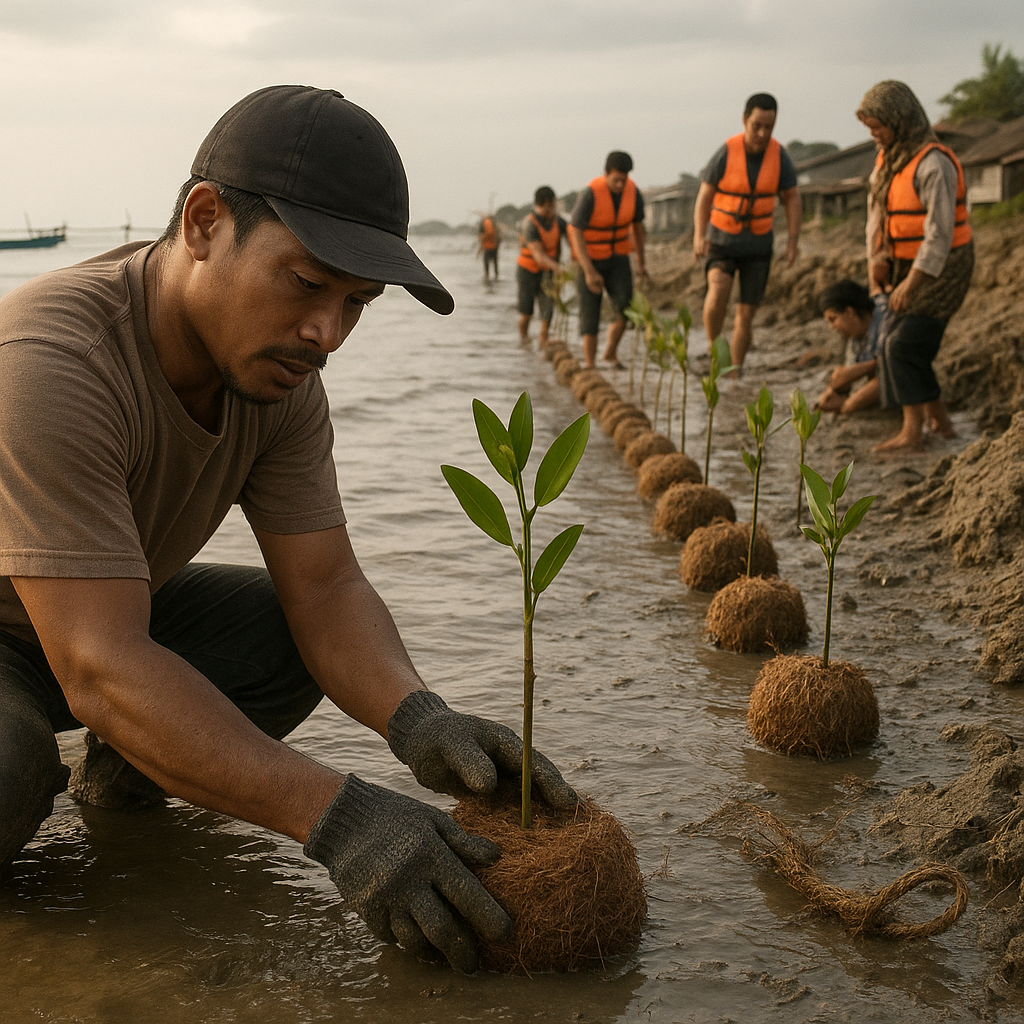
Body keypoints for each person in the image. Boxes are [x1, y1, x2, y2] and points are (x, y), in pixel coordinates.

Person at [0, 85, 578, 974]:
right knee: (9, 766)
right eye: (308, 283)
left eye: (357, 302)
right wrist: (339, 820)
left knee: (282, 641)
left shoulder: (279, 377)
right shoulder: (51, 362)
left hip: (88, 622)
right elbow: (99, 664)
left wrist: (418, 718)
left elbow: (326, 587)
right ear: (204, 222)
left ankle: (121, 792)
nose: (326, 333)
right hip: (56, 639)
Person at [857, 79, 973, 452]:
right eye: (869, 128)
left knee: (902, 345)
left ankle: (912, 431)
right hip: (904, 264)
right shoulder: (886, 161)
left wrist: (912, 283)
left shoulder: (935, 164)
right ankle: (941, 422)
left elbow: (939, 235)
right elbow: (876, 217)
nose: (873, 134)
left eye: (878, 126)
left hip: (944, 269)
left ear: (900, 119)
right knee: (905, 343)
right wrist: (876, 261)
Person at [692, 93, 801, 371]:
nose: (762, 133)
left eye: (769, 127)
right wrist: (699, 235)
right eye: (757, 126)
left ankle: (735, 372)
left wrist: (793, 241)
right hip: (722, 239)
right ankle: (713, 345)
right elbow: (705, 196)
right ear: (744, 120)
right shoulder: (726, 152)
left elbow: (792, 198)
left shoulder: (780, 156)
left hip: (758, 245)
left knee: (745, 315)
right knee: (718, 287)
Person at [567, 151, 647, 369]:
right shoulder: (590, 194)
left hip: (618, 258)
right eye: (616, 180)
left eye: (624, 180)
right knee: (590, 316)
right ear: (606, 173)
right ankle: (590, 364)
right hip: (590, 260)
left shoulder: (633, 192)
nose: (620, 185)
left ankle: (610, 353)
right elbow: (576, 231)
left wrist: (641, 263)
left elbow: (638, 228)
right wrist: (589, 271)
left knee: (624, 309)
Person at [815, 279, 892, 415]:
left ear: (850, 312)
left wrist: (850, 404)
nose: (831, 327)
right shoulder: (855, 336)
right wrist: (837, 391)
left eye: (833, 319)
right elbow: (851, 375)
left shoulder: (887, 317)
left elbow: (893, 371)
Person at [516, 186, 568, 349]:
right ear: (539, 205)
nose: (550, 210)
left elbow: (572, 236)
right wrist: (558, 268)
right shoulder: (530, 224)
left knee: (548, 308)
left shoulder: (558, 221)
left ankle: (543, 340)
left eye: (552, 206)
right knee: (526, 312)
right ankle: (524, 339)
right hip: (528, 270)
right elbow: (538, 255)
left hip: (548, 271)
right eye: (547, 207)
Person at [477, 215, 500, 281]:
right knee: (495, 262)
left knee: (486, 262)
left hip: (486, 246)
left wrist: (480, 249)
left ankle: (487, 275)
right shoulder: (493, 222)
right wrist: (496, 244)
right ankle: (496, 275)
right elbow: (497, 234)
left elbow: (482, 237)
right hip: (494, 246)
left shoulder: (483, 223)